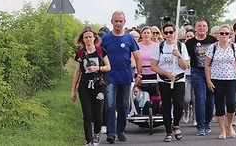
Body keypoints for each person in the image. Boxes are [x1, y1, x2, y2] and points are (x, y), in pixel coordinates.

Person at [100, 11, 142, 143]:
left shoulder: (129, 38)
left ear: (124, 22)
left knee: (123, 105)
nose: (118, 23)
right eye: (116, 21)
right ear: (111, 21)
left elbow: (137, 57)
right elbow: (99, 57)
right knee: (110, 105)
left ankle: (121, 131)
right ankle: (111, 133)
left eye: (120, 21)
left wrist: (139, 75)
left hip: (125, 77)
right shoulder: (106, 39)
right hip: (110, 77)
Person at [71, 26, 111, 146]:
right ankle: (88, 140)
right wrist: (72, 90)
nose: (88, 39)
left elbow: (108, 67)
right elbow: (77, 72)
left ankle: (97, 133)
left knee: (98, 117)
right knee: (87, 115)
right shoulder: (80, 53)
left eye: (90, 37)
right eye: (86, 37)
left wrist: (97, 68)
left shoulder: (101, 51)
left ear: (95, 38)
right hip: (84, 87)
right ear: (82, 39)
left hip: (98, 86)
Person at [204, 25, 236, 139]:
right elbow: (207, 65)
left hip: (231, 79)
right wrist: (208, 80)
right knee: (219, 105)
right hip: (217, 79)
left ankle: (230, 125)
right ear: (217, 35)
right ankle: (222, 130)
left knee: (232, 104)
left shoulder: (234, 47)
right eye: (221, 33)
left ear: (230, 35)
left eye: (226, 33)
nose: (224, 36)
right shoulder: (213, 47)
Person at [151, 23, 189, 142]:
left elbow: (185, 66)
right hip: (164, 79)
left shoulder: (181, 46)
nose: (168, 35)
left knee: (179, 104)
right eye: (166, 32)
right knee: (166, 105)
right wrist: (166, 74)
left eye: (171, 32)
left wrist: (178, 56)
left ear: (174, 32)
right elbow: (153, 66)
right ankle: (168, 132)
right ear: (163, 33)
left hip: (178, 79)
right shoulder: (159, 46)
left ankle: (176, 124)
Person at [185, 19, 218, 136]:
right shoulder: (189, 43)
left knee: (210, 100)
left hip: (212, 73)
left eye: (204, 26)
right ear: (195, 28)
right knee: (200, 98)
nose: (202, 28)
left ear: (207, 28)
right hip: (197, 72)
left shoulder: (213, 41)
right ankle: (200, 125)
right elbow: (185, 57)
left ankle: (208, 122)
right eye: (199, 26)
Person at [182, 29, 196, 126]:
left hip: (195, 75)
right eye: (188, 36)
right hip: (185, 75)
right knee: (186, 98)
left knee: (195, 98)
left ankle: (195, 118)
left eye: (191, 36)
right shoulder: (182, 48)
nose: (189, 38)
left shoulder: (196, 47)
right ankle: (186, 110)